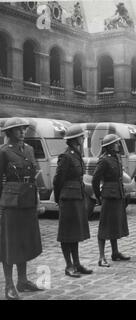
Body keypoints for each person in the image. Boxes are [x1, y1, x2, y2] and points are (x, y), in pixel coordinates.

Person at [0, 118, 43, 300]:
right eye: (18, 129)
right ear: (9, 132)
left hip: (28, 201)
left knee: (24, 241)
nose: (22, 132)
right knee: (9, 244)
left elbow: (34, 177)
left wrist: (38, 200)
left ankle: (22, 280)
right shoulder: (3, 152)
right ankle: (9, 284)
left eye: (23, 129)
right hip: (10, 204)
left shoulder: (29, 150)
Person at [53, 124, 92, 278]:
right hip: (68, 198)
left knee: (75, 232)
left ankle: (76, 263)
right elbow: (57, 180)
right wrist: (59, 198)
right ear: (76, 139)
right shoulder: (66, 156)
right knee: (66, 233)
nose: (83, 138)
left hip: (77, 197)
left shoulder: (76, 154)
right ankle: (68, 265)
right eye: (82, 136)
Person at [92, 134, 130, 265]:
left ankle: (115, 252)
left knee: (115, 224)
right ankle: (101, 257)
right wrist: (99, 196)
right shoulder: (104, 160)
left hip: (118, 194)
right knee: (105, 226)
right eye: (116, 143)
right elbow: (95, 179)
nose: (118, 145)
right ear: (109, 146)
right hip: (108, 195)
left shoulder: (116, 157)